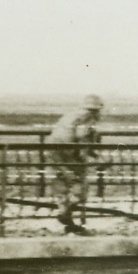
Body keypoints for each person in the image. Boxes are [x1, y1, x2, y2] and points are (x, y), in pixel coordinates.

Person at [48, 94, 104, 234]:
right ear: (97, 109)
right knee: (79, 183)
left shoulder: (73, 115)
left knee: (63, 181)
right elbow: (82, 139)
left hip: (55, 151)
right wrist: (91, 158)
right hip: (68, 153)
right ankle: (65, 212)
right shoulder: (87, 118)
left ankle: (67, 217)